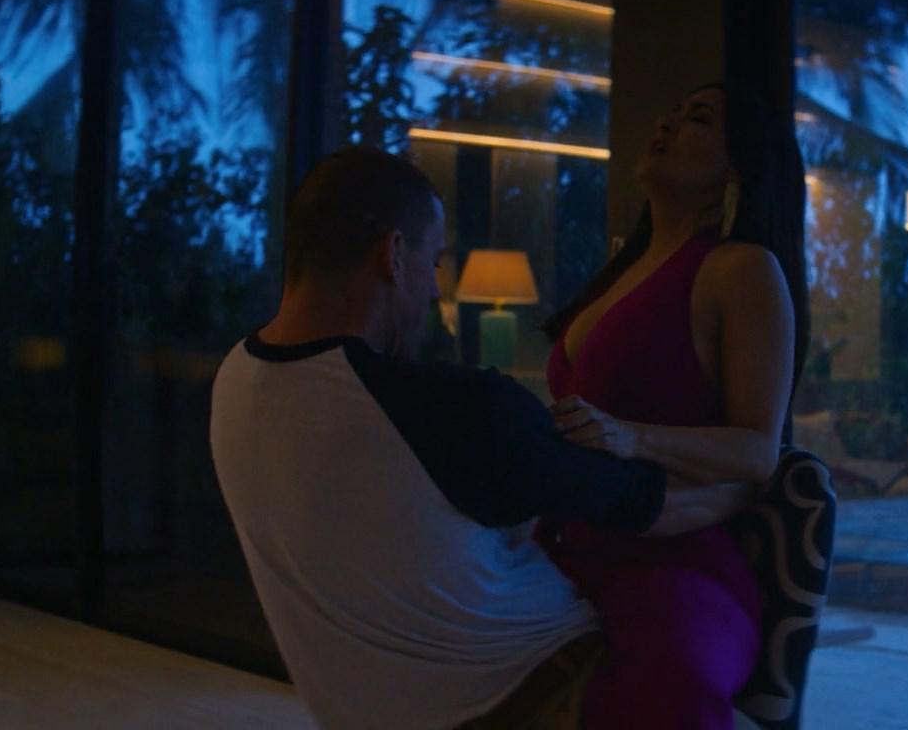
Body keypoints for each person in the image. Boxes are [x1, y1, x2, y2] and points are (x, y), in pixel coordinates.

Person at [209, 147, 754, 730]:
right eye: (434, 262)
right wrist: (756, 480)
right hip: (534, 691)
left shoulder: (234, 381)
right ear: (394, 254)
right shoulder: (451, 410)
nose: (433, 291)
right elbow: (653, 505)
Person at [540, 82, 810, 730]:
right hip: (565, 554)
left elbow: (758, 450)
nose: (667, 122)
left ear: (738, 169)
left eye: (698, 119)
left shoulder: (741, 269)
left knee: (664, 686)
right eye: (673, 110)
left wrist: (630, 437)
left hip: (674, 562)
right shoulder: (620, 272)